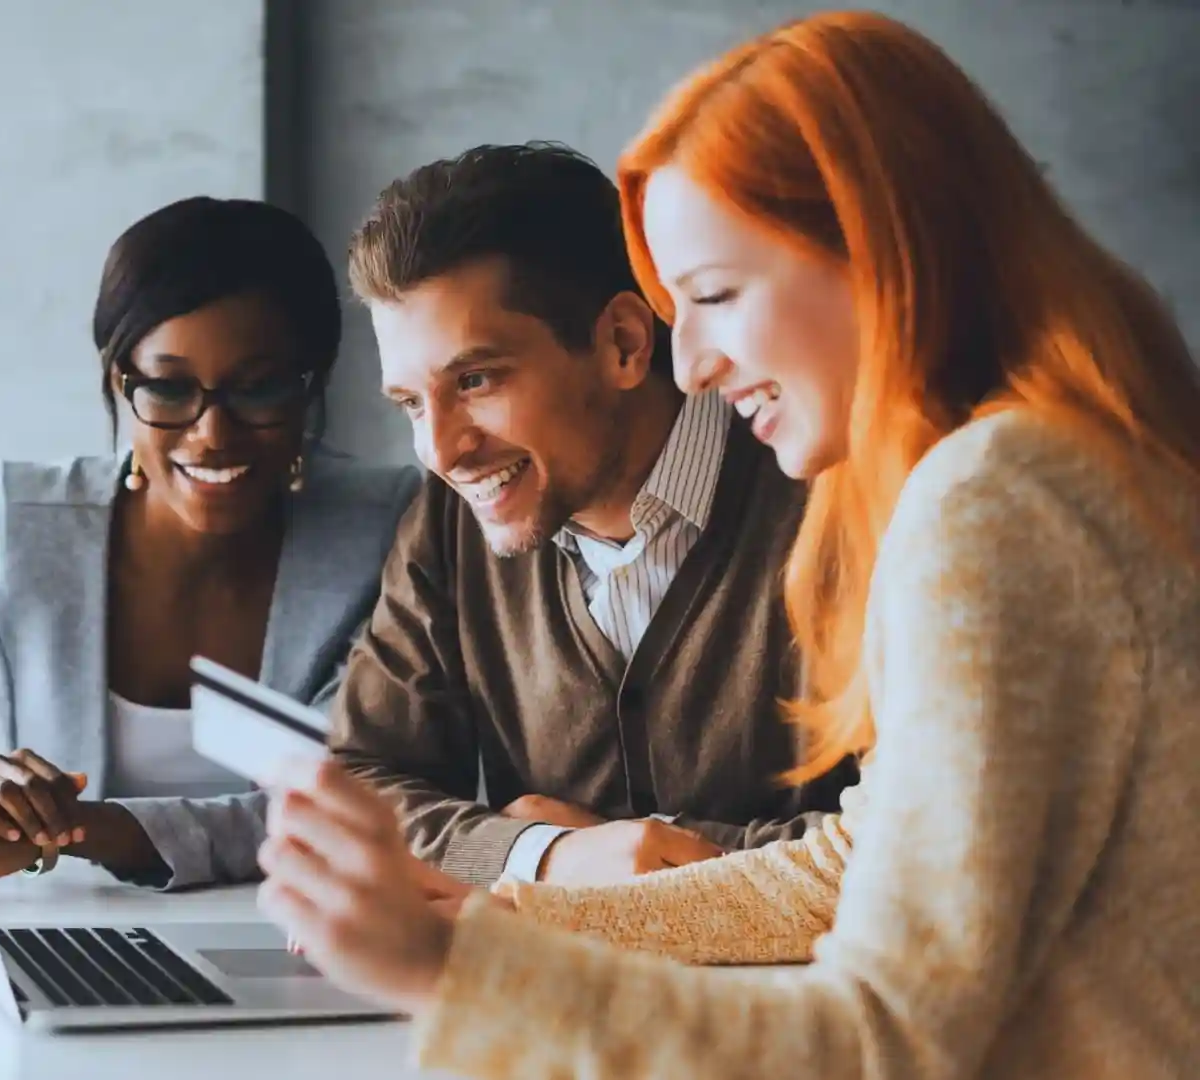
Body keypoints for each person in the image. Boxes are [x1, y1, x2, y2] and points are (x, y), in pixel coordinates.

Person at [256, 10, 1200, 1078]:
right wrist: (520, 906)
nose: (688, 360)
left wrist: (450, 969)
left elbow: (883, 1039)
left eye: (710, 296)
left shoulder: (990, 500)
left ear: (876, 252)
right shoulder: (1056, 462)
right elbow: (855, 861)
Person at [0, 196, 422, 913]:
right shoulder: (12, 524)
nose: (213, 433)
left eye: (260, 387)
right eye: (169, 387)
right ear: (122, 380)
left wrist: (78, 829)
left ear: (313, 385)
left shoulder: (392, 530)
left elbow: (364, 803)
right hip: (73, 940)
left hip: (311, 944)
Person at [328, 141, 856, 889]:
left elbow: (918, 842)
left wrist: (641, 861)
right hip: (562, 999)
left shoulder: (838, 499)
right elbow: (355, 787)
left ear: (623, 343)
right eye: (412, 402)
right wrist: (548, 855)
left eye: (475, 379)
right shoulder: (452, 524)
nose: (440, 450)